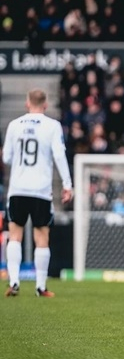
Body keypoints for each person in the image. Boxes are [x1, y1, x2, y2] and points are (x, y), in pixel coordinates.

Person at [2, 89, 73, 297]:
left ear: (27, 103)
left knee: (14, 235)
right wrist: (67, 184)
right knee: (42, 237)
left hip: (17, 188)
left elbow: (6, 158)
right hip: (41, 189)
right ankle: (40, 287)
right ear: (45, 105)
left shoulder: (14, 125)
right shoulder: (52, 126)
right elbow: (59, 155)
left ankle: (14, 281)